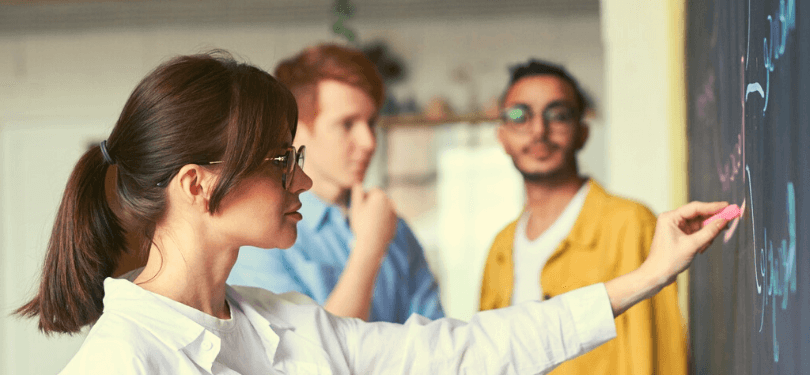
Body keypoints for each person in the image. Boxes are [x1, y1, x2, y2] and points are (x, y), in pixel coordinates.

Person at [16, 51, 730, 374]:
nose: (301, 179)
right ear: (198, 184)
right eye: (279, 160)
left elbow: (460, 351)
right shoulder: (121, 363)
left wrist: (645, 277)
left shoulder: (285, 321)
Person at [479, 59, 687, 374]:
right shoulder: (500, 247)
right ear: (502, 137)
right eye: (520, 116)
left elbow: (661, 357)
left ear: (582, 133)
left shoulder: (630, 224)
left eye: (558, 115)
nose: (538, 130)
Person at [227, 44, 444, 322]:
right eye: (347, 124)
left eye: (371, 122)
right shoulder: (260, 235)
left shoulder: (395, 229)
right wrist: (368, 249)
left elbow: (435, 342)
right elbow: (302, 357)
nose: (368, 142)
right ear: (296, 129)